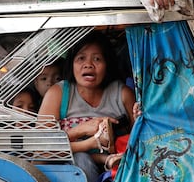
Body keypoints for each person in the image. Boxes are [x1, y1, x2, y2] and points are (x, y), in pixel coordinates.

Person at [38, 32, 136, 182]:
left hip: (116, 170)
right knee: (81, 159)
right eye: (81, 58)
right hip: (68, 173)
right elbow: (40, 150)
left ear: (107, 64)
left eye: (97, 59)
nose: (88, 64)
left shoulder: (122, 94)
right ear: (72, 63)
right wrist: (81, 131)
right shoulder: (58, 94)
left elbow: (140, 141)